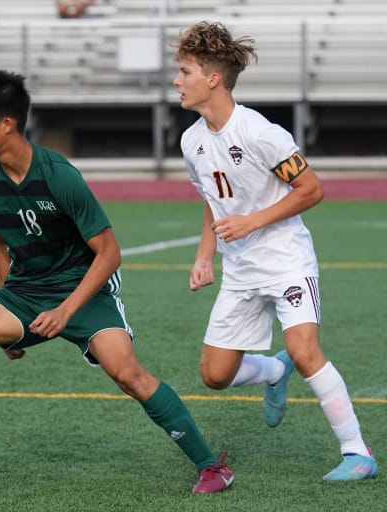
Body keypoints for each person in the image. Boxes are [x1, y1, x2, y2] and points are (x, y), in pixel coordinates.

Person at [0, 69, 234, 494]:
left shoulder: (59, 175)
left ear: (7, 123)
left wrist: (66, 310)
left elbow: (110, 253)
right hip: (26, 293)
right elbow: (3, 243)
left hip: (88, 289)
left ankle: (211, 466)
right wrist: (10, 314)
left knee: (127, 374)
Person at [173, 21, 377, 482]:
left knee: (304, 351)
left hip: (286, 258)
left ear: (213, 79)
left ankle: (356, 453)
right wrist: (205, 255)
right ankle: (270, 372)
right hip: (240, 269)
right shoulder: (192, 141)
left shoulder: (262, 132)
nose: (176, 81)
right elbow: (212, 202)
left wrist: (253, 221)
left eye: (184, 71)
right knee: (214, 374)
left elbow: (311, 189)